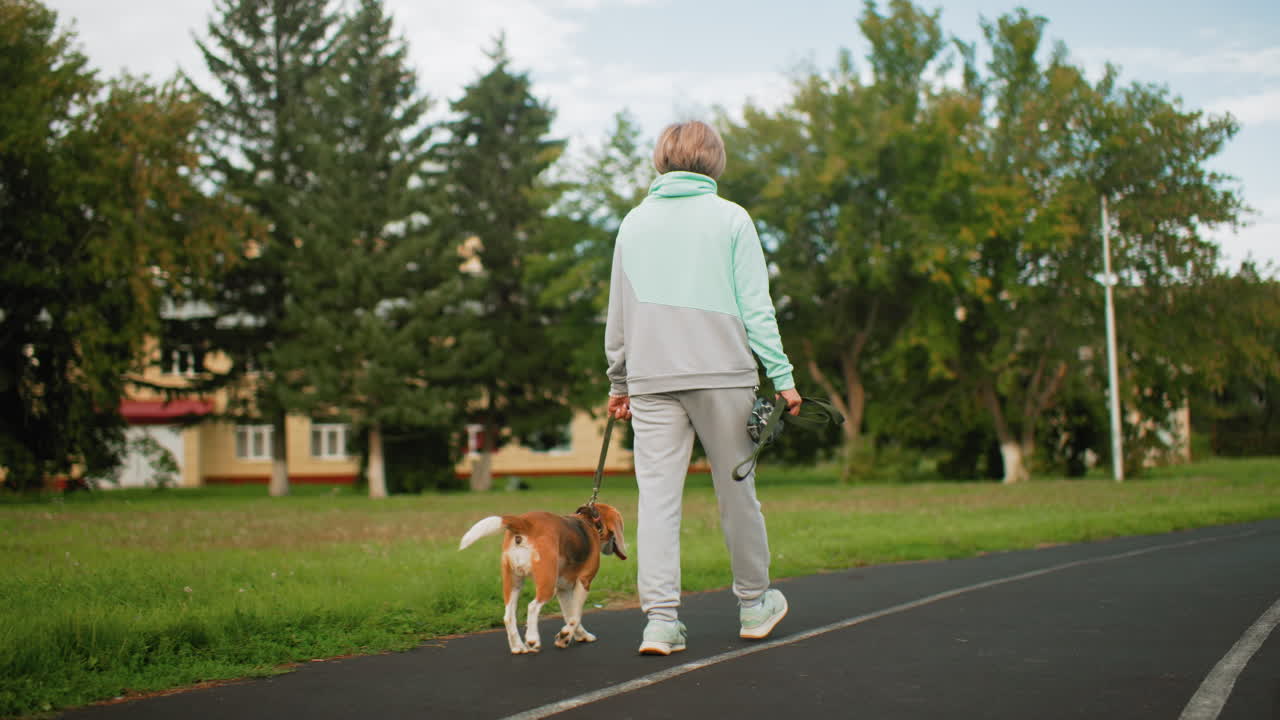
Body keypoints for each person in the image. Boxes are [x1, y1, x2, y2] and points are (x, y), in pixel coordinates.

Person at [604, 120, 802, 656]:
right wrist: (782, 378)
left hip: (651, 379)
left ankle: (661, 623)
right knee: (737, 493)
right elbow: (756, 307)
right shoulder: (732, 219)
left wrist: (619, 380)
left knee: (658, 502)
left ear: (660, 160)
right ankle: (755, 605)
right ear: (714, 162)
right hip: (723, 375)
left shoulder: (633, 224)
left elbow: (618, 313)